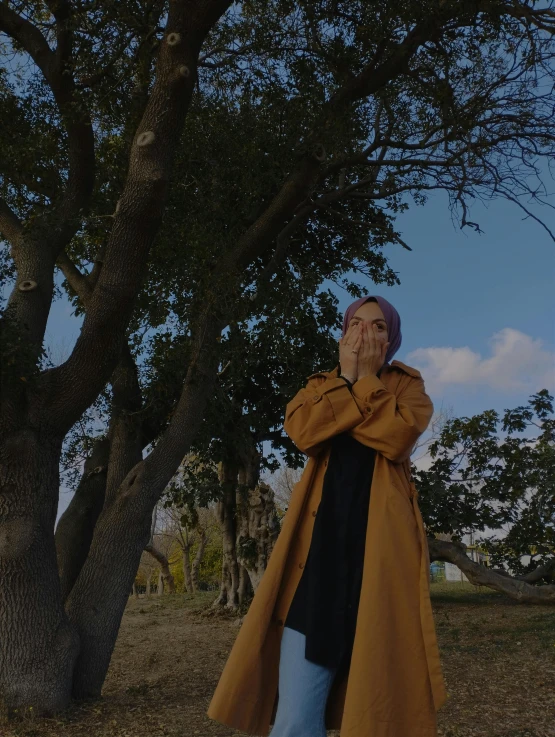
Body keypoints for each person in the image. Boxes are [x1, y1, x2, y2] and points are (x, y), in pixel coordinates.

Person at [206, 294, 448, 737]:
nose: (366, 334)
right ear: (343, 333)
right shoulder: (319, 386)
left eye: (378, 327)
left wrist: (368, 381)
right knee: (296, 720)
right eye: (357, 324)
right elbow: (304, 430)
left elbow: (397, 438)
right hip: (315, 568)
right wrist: (350, 380)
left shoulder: (407, 387)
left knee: (376, 713)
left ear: (392, 337)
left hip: (379, 566)